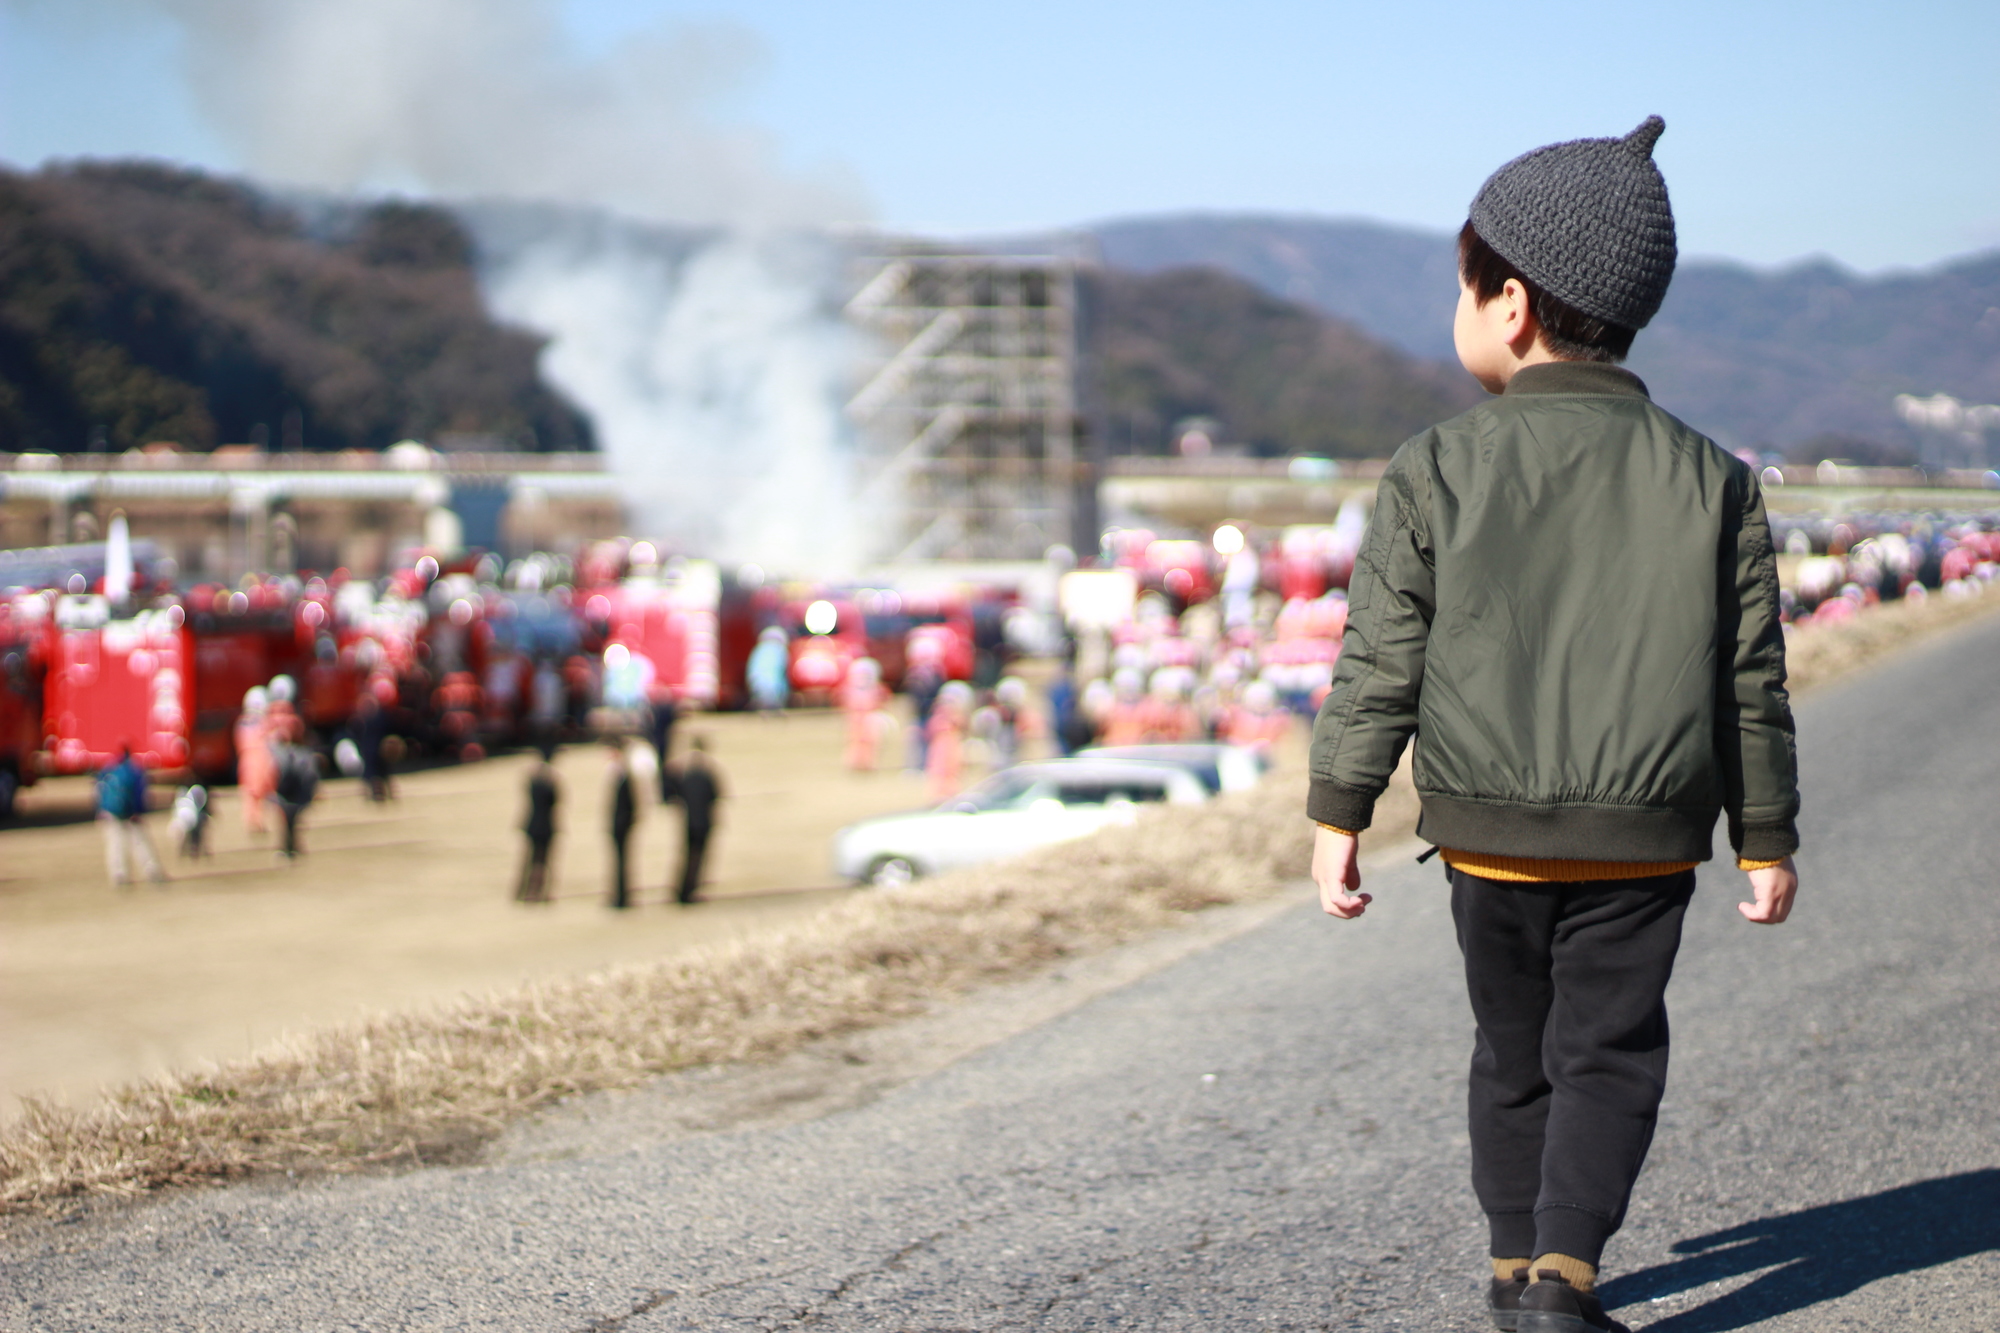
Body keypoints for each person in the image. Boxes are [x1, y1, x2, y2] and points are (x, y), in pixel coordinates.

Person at [1306, 117, 1800, 1333]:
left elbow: (1381, 658)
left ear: (1510, 303)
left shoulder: (1434, 465)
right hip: (1644, 840)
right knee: (1609, 1055)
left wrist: (1338, 809)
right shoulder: (1713, 477)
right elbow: (1749, 676)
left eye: (1459, 287)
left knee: (1509, 1053)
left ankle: (1507, 1264)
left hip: (1486, 835)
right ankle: (1562, 1278)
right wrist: (1765, 835)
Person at [96, 746, 166, 886]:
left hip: (111, 812)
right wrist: (139, 811)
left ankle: (119, 875)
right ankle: (152, 871)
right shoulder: (135, 771)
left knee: (115, 845)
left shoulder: (107, 770)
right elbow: (141, 794)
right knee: (141, 843)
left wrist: (101, 810)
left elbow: (99, 791)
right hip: (131, 814)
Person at [670, 737, 723, 904]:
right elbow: (716, 795)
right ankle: (690, 891)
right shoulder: (708, 771)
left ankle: (680, 890)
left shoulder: (683, 771)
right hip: (703, 821)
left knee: (686, 856)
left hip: (688, 821)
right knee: (698, 858)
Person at [517, 749, 560, 903]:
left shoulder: (533, 779)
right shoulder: (550, 780)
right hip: (546, 826)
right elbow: (555, 802)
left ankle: (522, 891)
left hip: (532, 824)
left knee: (528, 860)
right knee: (542, 861)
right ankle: (538, 893)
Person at [269, 736, 318, 860]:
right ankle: (290, 846)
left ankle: (289, 847)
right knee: (290, 823)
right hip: (291, 793)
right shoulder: (303, 753)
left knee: (289, 822)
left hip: (291, 793)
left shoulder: (279, 753)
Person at [235, 686, 274, 835]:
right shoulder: (261, 723)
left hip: (248, 763)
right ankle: (255, 822)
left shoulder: (242, 723)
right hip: (257, 762)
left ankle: (255, 822)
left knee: (252, 794)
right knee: (255, 794)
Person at [606, 739, 637, 910]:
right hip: (620, 825)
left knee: (621, 862)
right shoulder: (620, 774)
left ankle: (621, 897)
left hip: (621, 826)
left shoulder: (624, 774)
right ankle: (619, 895)